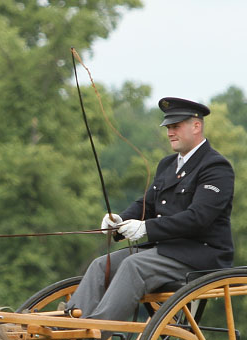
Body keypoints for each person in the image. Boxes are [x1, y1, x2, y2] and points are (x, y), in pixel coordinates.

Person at [65, 96, 235, 323]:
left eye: (176, 126)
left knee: (133, 266)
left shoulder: (216, 167)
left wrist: (146, 228)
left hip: (199, 256)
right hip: (164, 250)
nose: (169, 132)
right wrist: (120, 220)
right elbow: (147, 203)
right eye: (168, 127)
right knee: (100, 265)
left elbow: (198, 218)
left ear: (196, 126)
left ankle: (93, 333)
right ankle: (70, 323)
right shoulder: (167, 164)